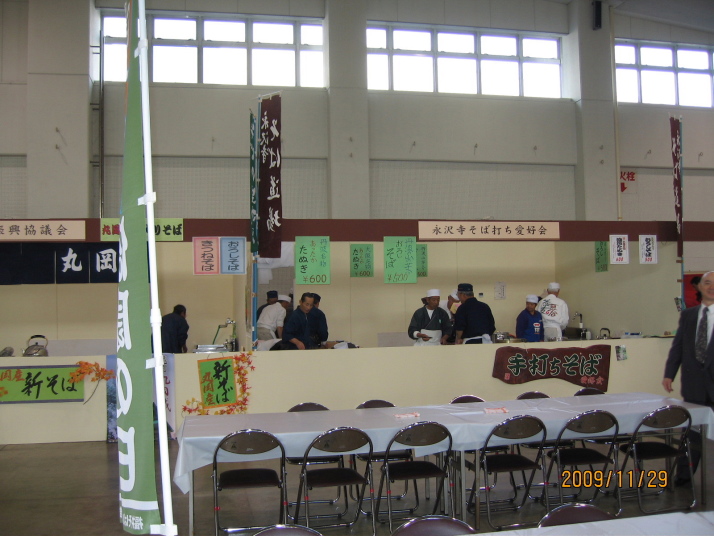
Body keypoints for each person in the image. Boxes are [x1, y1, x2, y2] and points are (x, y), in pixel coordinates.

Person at [662, 270, 714, 486]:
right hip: (694, 384)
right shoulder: (689, 315)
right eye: (707, 283)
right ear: (700, 287)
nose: (711, 287)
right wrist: (669, 373)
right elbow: (678, 346)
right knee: (691, 432)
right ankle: (684, 475)